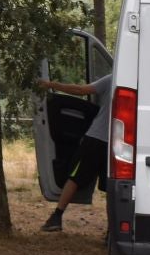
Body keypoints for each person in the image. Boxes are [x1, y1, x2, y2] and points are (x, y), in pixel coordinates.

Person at [37, 71, 113, 232]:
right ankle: (111, 231)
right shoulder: (143, 85)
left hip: (96, 139)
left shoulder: (113, 78)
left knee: (75, 177)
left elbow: (80, 90)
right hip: (120, 143)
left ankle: (56, 217)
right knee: (114, 187)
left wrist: (51, 85)